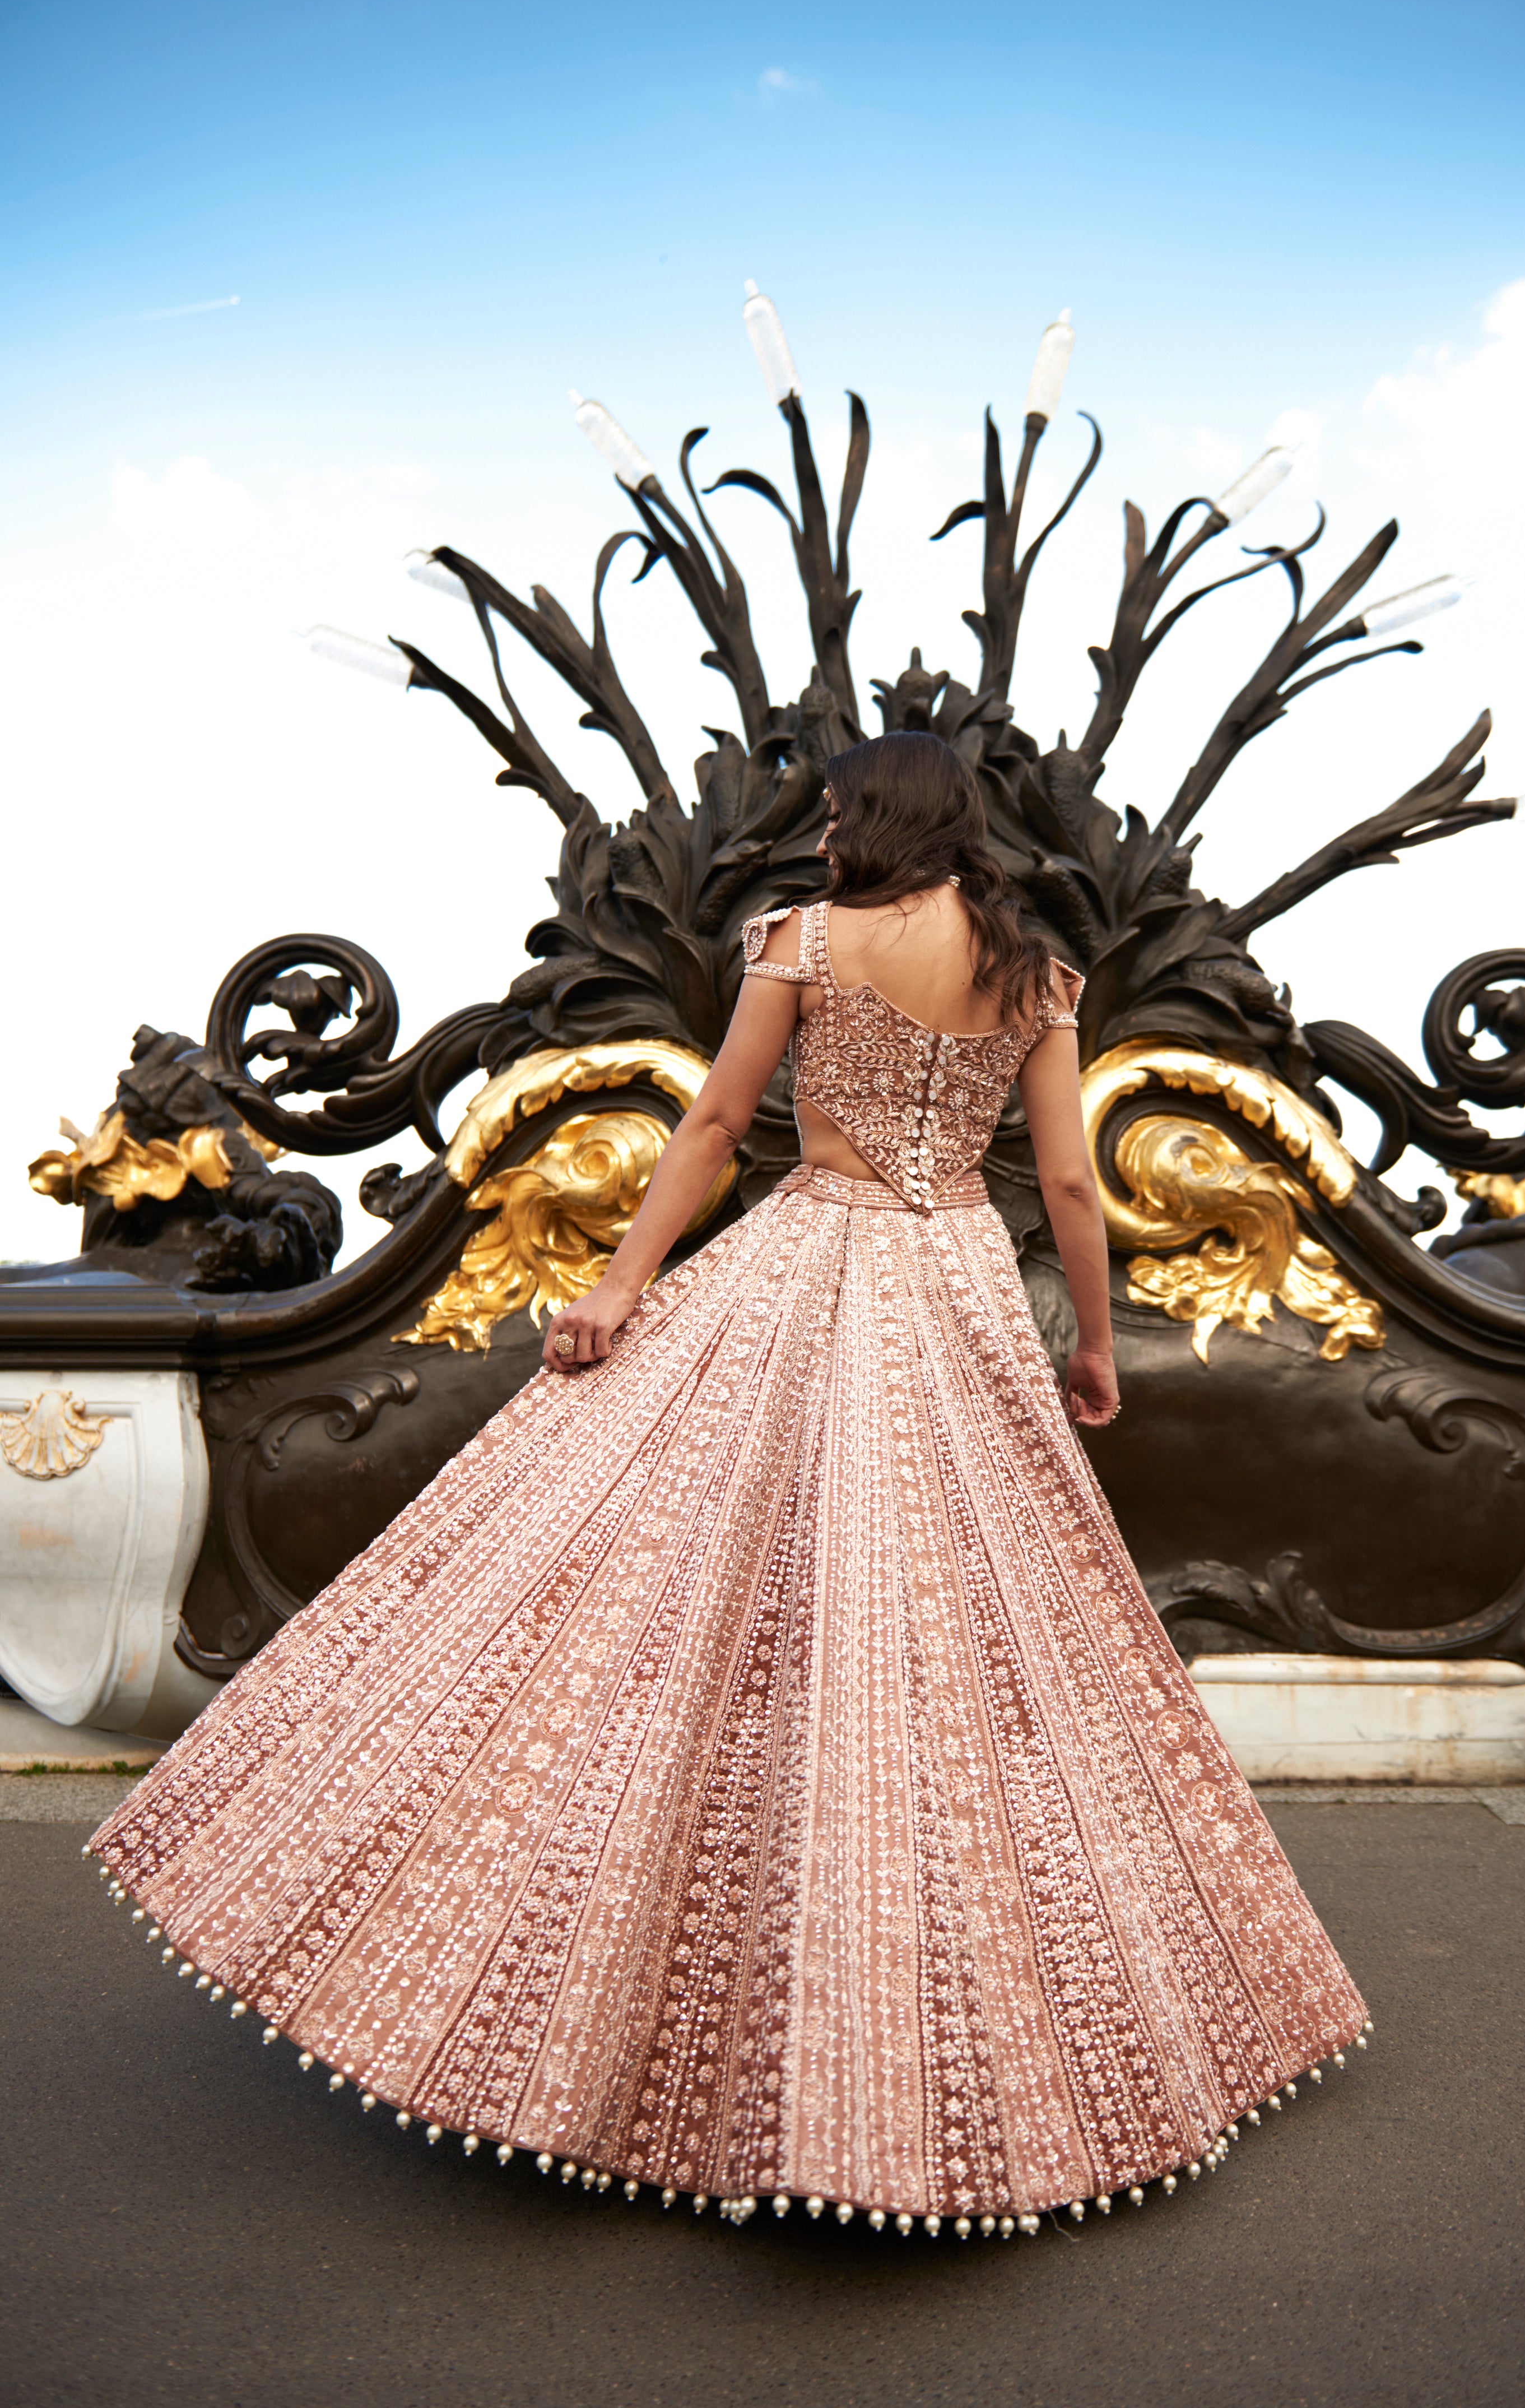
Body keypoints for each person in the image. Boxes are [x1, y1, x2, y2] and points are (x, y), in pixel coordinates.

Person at [89, 731, 1368, 2239]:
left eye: (836, 813)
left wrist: (624, 1288)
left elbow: (710, 1127)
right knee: (985, 1641)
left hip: (811, 1262)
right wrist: (1092, 1343)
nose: (823, 832)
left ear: (873, 820)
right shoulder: (1036, 976)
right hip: (956, 1283)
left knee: (681, 1595)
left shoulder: (805, 942)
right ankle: (1026, 2026)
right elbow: (1073, 1185)